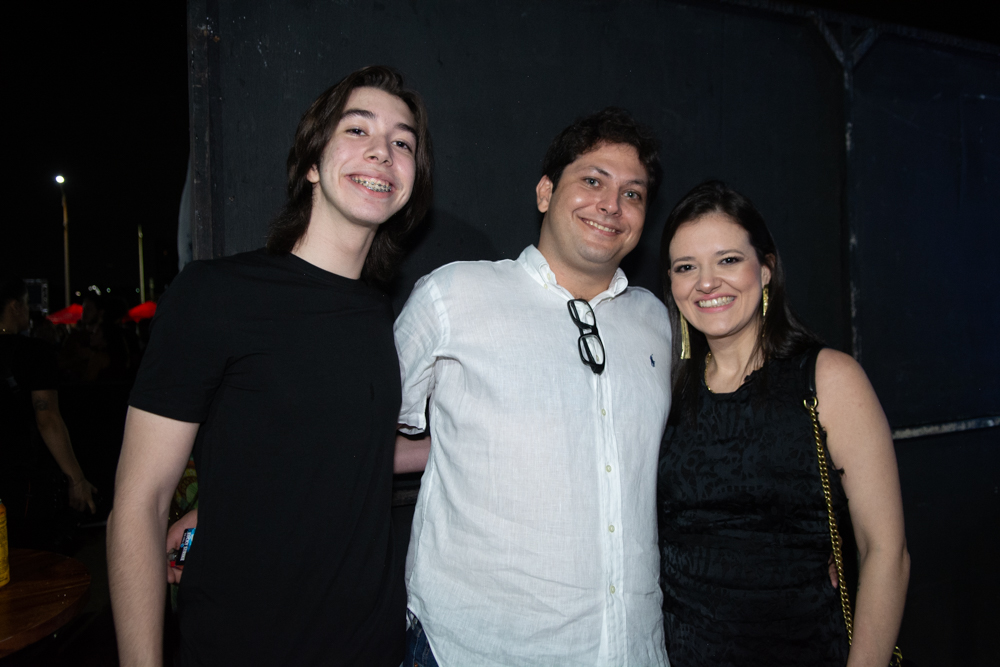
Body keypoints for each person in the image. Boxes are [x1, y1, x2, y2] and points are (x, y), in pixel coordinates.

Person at [107, 65, 433, 667]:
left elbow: (344, 447)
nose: (382, 152)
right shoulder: (215, 294)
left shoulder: (377, 312)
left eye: (403, 142)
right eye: (357, 129)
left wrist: (469, 442)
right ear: (311, 163)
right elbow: (140, 503)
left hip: (372, 647)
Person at [393, 108, 672, 666]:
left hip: (632, 648)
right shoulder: (454, 296)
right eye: (592, 180)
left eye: (632, 194)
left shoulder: (658, 322)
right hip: (478, 647)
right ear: (546, 192)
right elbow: (353, 437)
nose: (611, 205)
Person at [657, 181, 909, 666]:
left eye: (728, 260)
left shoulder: (828, 379)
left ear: (766, 268)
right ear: (671, 283)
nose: (707, 282)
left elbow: (886, 551)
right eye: (686, 267)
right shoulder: (663, 390)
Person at [0, 274, 97, 547]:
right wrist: (76, 478)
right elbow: (47, 418)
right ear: (14, 306)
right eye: (26, 303)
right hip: (21, 481)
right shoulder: (34, 352)